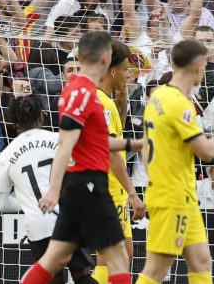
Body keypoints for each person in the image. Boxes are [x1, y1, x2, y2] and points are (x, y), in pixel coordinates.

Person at [23, 31, 140, 284]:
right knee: (117, 257)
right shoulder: (87, 94)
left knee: (55, 259)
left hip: (80, 184)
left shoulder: (80, 91)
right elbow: (66, 142)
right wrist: (53, 190)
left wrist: (134, 143)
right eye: (124, 68)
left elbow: (95, 140)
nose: (126, 74)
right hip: (90, 185)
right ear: (107, 59)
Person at [135, 40, 214, 284]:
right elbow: (206, 152)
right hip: (173, 197)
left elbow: (147, 150)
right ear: (199, 66)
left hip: (181, 195)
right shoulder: (180, 104)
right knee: (156, 270)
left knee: (201, 261)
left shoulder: (157, 97)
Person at [0, 96, 96, 284]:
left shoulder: (6, 155)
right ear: (41, 118)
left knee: (51, 280)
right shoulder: (59, 140)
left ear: (14, 123)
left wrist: (30, 202)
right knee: (82, 276)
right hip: (69, 219)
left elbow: (1, 203)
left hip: (38, 226)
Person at [92, 40, 147, 284]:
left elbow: (119, 128)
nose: (128, 75)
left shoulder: (107, 100)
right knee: (112, 259)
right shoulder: (101, 103)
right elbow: (110, 151)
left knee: (124, 256)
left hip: (111, 188)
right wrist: (133, 193)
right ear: (113, 71)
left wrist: (123, 94)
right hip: (106, 188)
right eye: (125, 70)